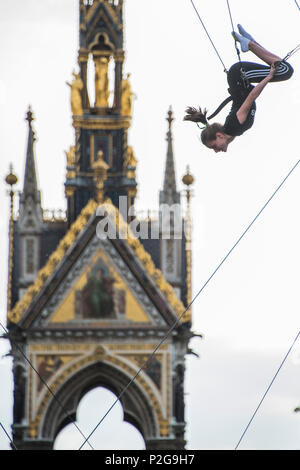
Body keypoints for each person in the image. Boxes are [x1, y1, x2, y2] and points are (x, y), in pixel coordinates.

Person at [184, 25, 294, 153]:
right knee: (282, 69)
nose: (216, 150)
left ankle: (249, 44)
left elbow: (251, 97)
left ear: (219, 136)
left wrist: (269, 76)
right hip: (239, 79)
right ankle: (250, 42)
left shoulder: (233, 126)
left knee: (284, 71)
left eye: (214, 146)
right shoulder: (232, 132)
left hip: (240, 76)